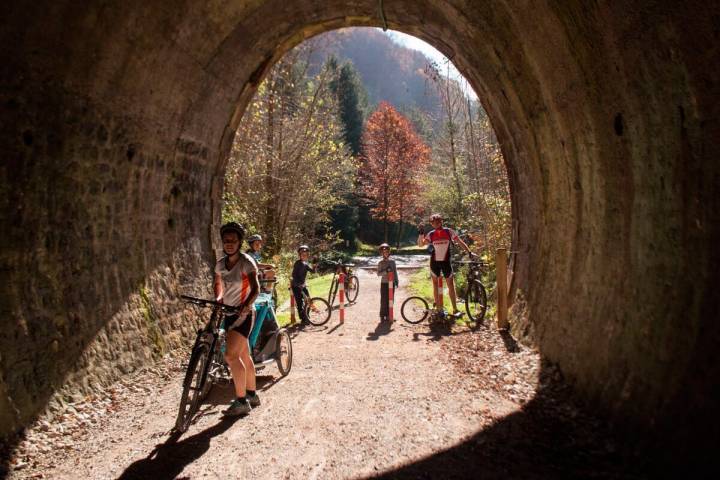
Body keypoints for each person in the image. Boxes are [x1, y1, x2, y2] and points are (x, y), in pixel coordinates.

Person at [214, 222, 261, 415]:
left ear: (240, 242)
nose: (229, 244)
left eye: (233, 240)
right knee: (243, 356)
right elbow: (218, 285)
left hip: (244, 315)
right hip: (227, 312)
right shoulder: (219, 264)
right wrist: (218, 299)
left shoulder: (246, 262)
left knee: (231, 356)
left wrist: (246, 305)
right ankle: (252, 395)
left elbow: (256, 288)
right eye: (226, 241)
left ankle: (241, 401)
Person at [417, 213, 476, 317]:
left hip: (446, 263)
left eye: (438, 221)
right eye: (434, 222)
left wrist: (469, 252)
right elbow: (421, 244)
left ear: (441, 221)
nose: (437, 224)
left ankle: (455, 309)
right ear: (431, 224)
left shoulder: (449, 232)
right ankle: (439, 309)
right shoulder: (431, 234)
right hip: (434, 262)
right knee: (435, 285)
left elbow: (460, 242)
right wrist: (421, 233)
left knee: (451, 286)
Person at [291, 245, 317, 327]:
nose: (304, 256)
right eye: (303, 255)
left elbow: (313, 271)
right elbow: (294, 275)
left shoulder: (306, 264)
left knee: (309, 300)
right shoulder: (297, 263)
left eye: (306, 254)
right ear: (300, 255)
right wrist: (298, 284)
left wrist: (315, 264)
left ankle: (307, 316)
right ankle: (303, 319)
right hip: (296, 285)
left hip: (302, 285)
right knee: (299, 302)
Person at [376, 243, 399, 322]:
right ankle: (383, 316)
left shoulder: (392, 262)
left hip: (391, 283)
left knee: (391, 299)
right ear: (381, 253)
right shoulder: (380, 263)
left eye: (386, 252)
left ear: (389, 252)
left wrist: (396, 281)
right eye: (383, 252)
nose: (385, 253)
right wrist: (386, 271)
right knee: (384, 299)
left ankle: (390, 315)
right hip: (384, 283)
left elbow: (395, 272)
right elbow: (378, 274)